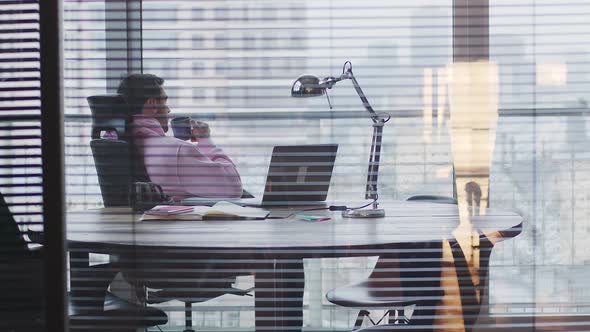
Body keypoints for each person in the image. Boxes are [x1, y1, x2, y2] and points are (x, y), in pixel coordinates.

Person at [116, 73, 243, 200]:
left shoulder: (126, 141)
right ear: (153, 105)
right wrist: (205, 141)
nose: (168, 110)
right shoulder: (177, 151)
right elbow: (234, 189)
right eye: (165, 102)